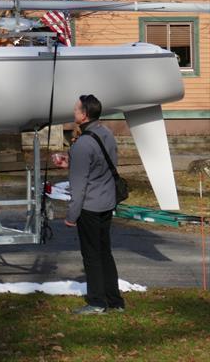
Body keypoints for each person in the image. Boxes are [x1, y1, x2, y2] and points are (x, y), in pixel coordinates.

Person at [65, 93, 125, 315]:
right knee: (104, 252)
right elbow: (101, 166)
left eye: (76, 109)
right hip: (107, 201)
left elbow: (79, 185)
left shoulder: (83, 143)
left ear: (84, 114)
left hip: (89, 206)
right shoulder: (106, 133)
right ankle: (114, 300)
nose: (74, 112)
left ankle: (97, 302)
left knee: (91, 255)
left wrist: (72, 215)